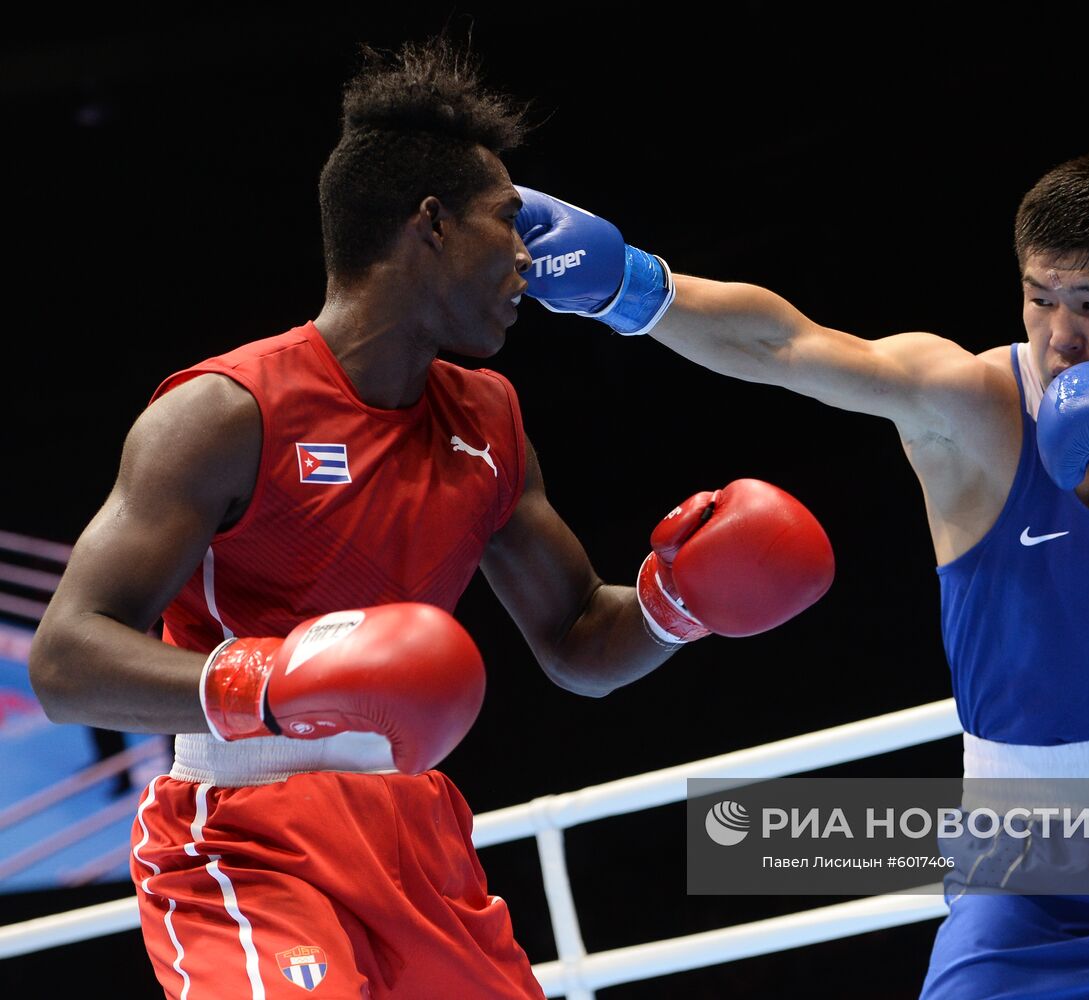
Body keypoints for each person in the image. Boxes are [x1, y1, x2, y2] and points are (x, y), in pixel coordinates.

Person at [26, 38, 835, 1000]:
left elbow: (578, 639)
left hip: (415, 831)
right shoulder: (226, 411)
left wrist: (678, 603)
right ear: (432, 225)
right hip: (243, 833)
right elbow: (65, 660)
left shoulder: (489, 417)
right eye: (507, 222)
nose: (529, 257)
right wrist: (280, 677)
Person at [513, 158, 1089, 997]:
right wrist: (625, 283)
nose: (1060, 335)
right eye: (1040, 298)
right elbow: (782, 344)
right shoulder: (970, 405)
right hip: (1028, 864)